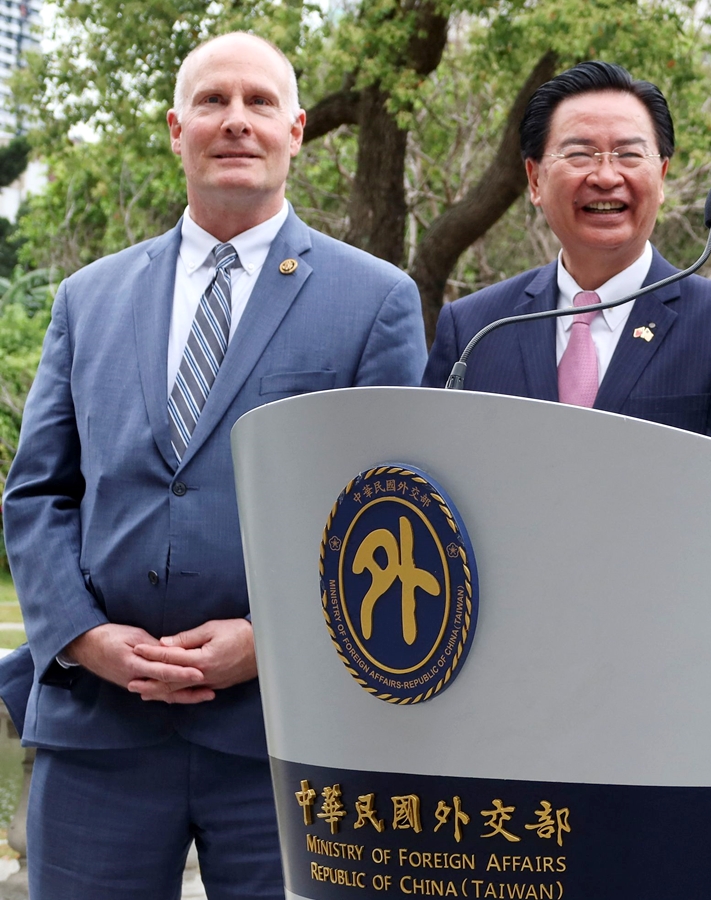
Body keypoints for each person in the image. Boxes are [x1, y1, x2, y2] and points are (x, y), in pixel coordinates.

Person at [2, 32, 426, 898]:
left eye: (260, 103)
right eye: (213, 102)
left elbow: (392, 516)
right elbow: (40, 490)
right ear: (175, 128)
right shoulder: (90, 297)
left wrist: (274, 643)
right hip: (99, 732)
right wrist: (82, 638)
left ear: (297, 131)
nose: (237, 122)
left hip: (288, 734)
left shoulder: (375, 300)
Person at [423, 61, 711, 455]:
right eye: (580, 154)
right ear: (535, 179)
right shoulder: (475, 329)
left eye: (629, 154)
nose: (607, 177)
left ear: (661, 176)